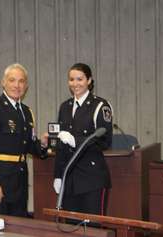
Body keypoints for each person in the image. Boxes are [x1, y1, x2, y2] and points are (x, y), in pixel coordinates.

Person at [0, 63, 48, 217]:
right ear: (3, 82)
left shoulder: (26, 112)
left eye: (21, 81)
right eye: (12, 80)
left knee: (19, 229)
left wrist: (41, 143)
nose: (17, 85)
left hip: (19, 184)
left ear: (26, 86)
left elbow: (26, 145)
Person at [53, 63, 113, 217]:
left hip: (91, 180)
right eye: (71, 79)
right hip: (69, 178)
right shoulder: (65, 107)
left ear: (89, 80)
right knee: (71, 228)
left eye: (80, 79)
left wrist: (76, 141)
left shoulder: (100, 106)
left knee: (92, 228)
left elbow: (104, 141)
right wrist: (58, 175)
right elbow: (61, 145)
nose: (75, 84)